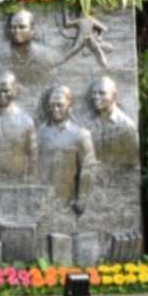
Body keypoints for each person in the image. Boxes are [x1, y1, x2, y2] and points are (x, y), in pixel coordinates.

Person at [36, 85, 96, 216]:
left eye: (60, 105)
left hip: (68, 203)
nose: (55, 109)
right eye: (51, 105)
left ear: (69, 105)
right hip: (41, 201)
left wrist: (82, 197)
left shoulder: (81, 135)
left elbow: (88, 168)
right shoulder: (39, 133)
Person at [83, 76, 139, 167]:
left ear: (114, 96)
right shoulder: (83, 123)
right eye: (94, 93)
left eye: (102, 93)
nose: (96, 97)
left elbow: (134, 163)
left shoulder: (127, 126)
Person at [7, 8, 61, 74]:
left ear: (32, 28)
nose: (17, 31)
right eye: (13, 27)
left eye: (22, 27)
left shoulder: (47, 55)